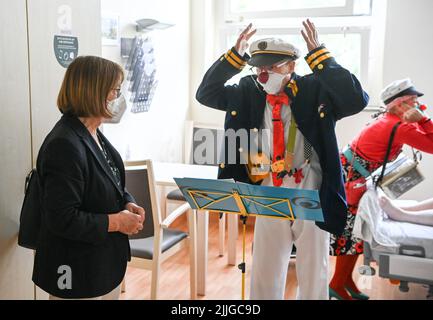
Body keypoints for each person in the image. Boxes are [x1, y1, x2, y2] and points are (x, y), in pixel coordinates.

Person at [196, 20, 369, 299]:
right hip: (268, 186)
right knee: (265, 266)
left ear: (291, 66)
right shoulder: (247, 90)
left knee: (313, 268)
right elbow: (206, 93)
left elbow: (356, 99)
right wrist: (235, 57)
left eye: (272, 67)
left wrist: (320, 55)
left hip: (311, 185)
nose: (263, 74)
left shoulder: (315, 89)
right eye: (259, 67)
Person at [32, 56, 145, 300]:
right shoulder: (65, 143)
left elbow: (110, 181)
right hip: (75, 270)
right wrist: (117, 222)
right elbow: (61, 218)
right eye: (115, 90)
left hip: (101, 264)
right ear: (94, 92)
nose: (118, 97)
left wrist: (127, 201)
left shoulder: (92, 133)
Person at [329, 78, 433, 300]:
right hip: (352, 182)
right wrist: (424, 120)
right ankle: (336, 284)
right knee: (351, 235)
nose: (418, 106)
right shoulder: (397, 126)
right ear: (399, 104)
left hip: (353, 177)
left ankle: (345, 280)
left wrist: (418, 119)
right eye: (414, 101)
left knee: (356, 234)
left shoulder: (390, 120)